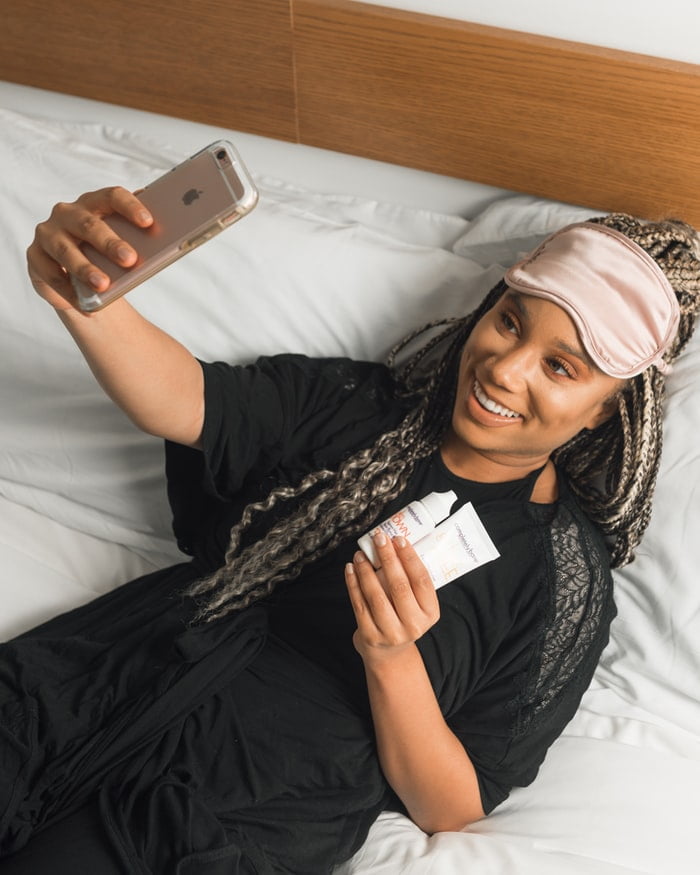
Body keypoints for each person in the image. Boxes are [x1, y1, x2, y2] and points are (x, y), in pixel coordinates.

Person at [1, 187, 699, 874]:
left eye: (560, 367)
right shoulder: (361, 406)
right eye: (511, 322)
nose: (506, 368)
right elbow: (187, 398)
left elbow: (454, 805)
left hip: (242, 802)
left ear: (604, 412)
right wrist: (82, 299)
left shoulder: (559, 583)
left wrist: (393, 658)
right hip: (118, 674)